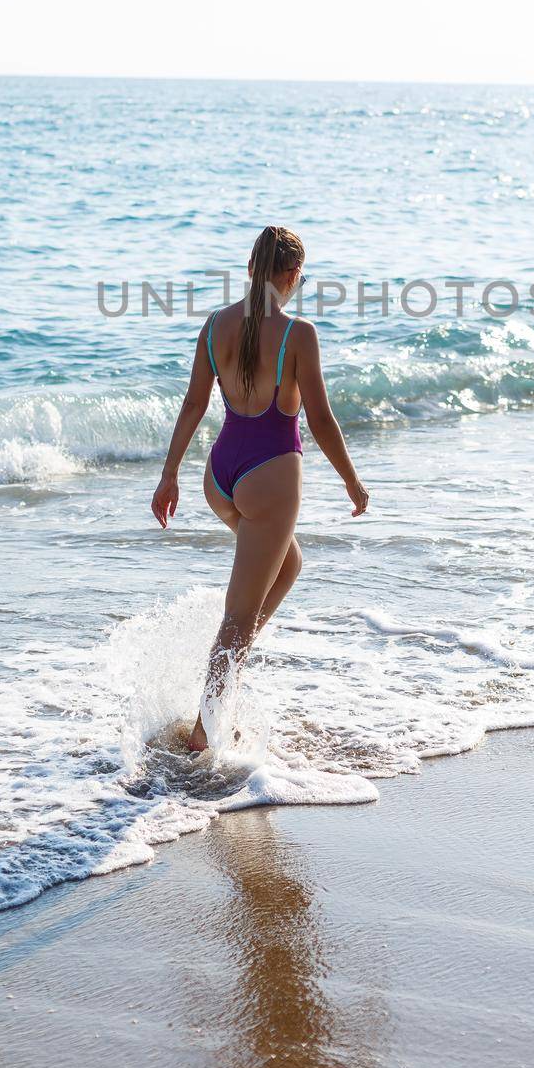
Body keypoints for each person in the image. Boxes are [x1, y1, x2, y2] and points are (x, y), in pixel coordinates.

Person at [151, 225, 369, 753]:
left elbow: (192, 406)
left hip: (220, 475)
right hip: (270, 476)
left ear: (251, 268)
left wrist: (170, 474)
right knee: (239, 612)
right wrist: (352, 480)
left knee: (288, 566)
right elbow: (319, 417)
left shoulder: (213, 326)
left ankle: (222, 693)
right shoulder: (299, 333)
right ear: (292, 275)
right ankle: (206, 729)